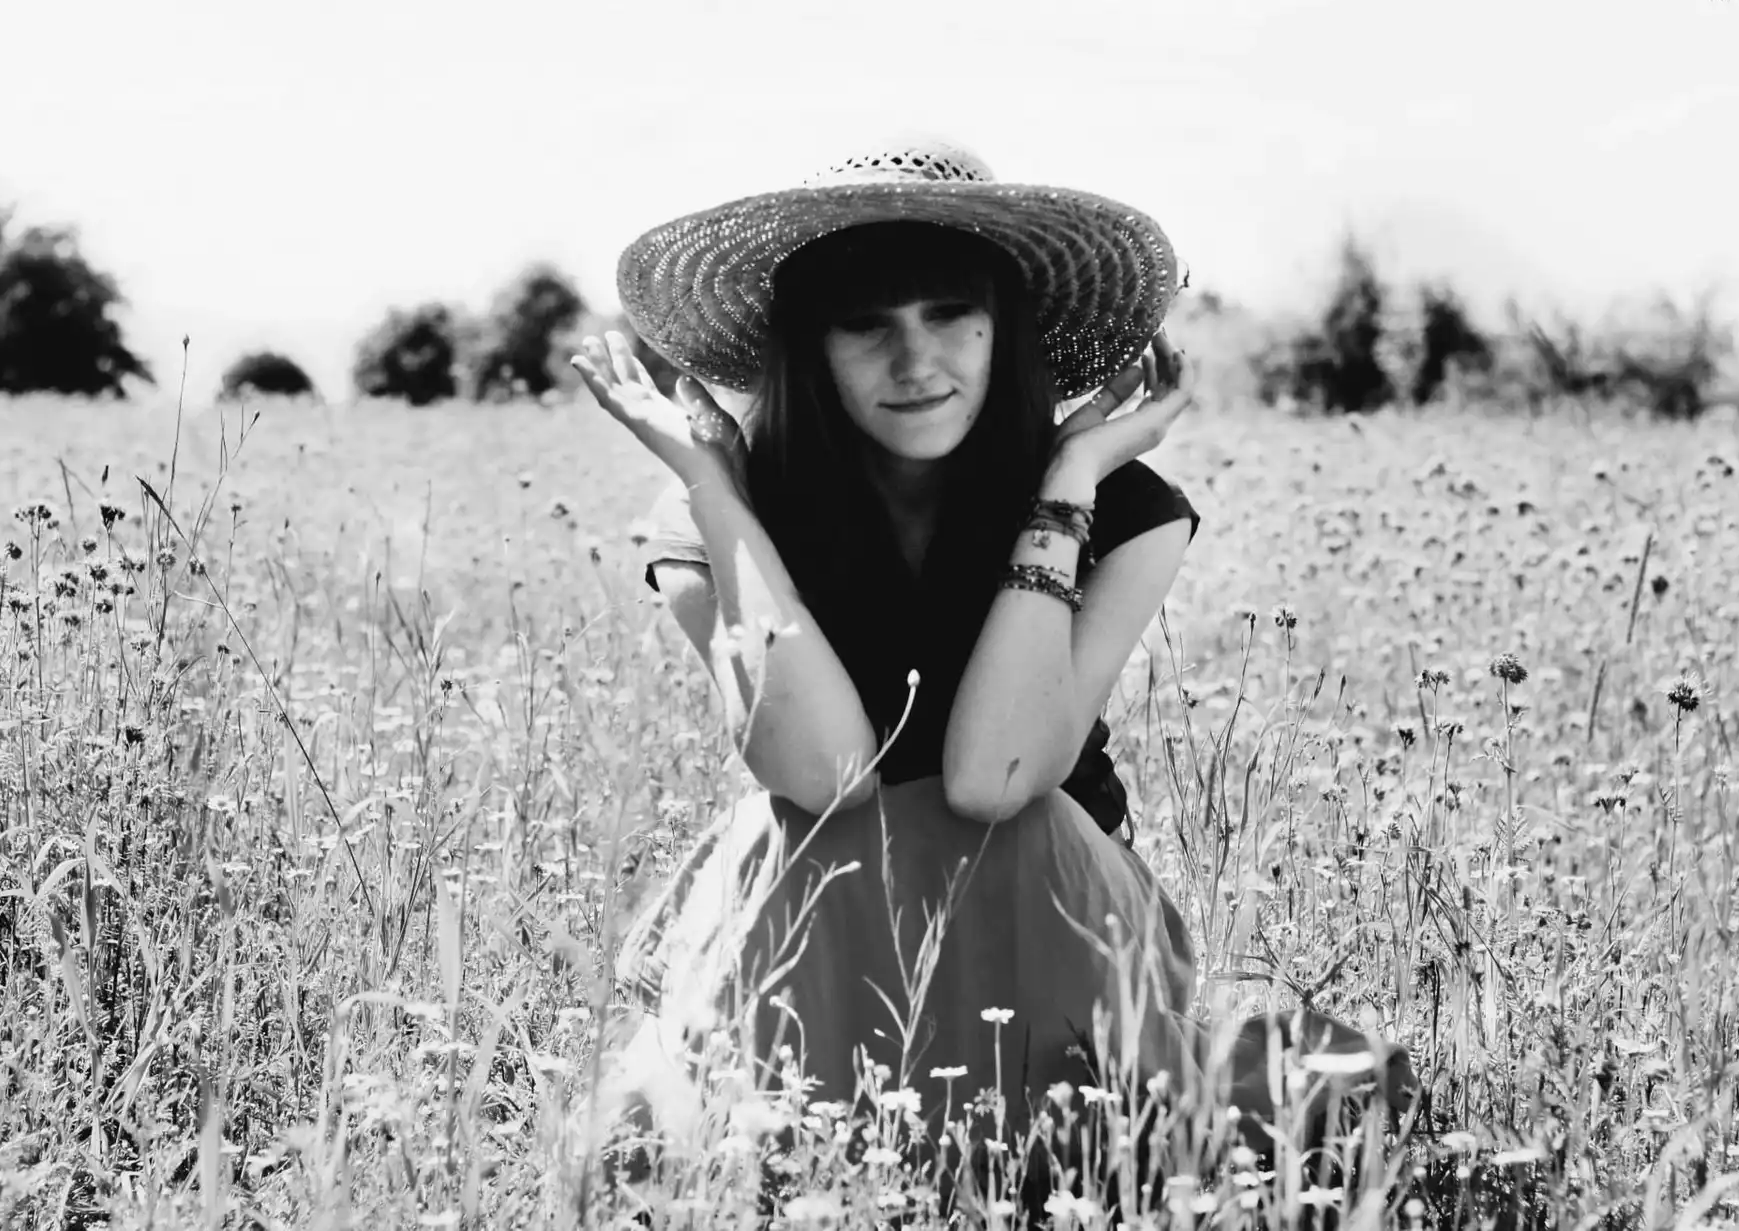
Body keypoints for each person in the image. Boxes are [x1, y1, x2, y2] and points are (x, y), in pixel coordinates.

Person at [576, 138, 1410, 1193]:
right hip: (822, 917)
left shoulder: (1132, 512)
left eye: (948, 314)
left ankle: (1013, 1145)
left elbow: (998, 776)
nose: (916, 361)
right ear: (809, 348)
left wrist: (1069, 479)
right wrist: (717, 497)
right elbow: (825, 775)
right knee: (822, 837)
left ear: (1003, 327)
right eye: (866, 323)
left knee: (1017, 824)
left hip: (1044, 908)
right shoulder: (715, 522)